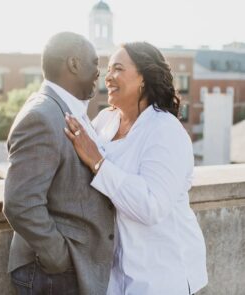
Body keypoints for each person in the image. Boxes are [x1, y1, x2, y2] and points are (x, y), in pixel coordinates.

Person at [64, 41, 208, 295]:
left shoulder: (165, 130)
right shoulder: (106, 120)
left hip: (162, 278)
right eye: (107, 69)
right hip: (116, 277)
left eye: (117, 69)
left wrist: (98, 162)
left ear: (144, 77)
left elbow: (151, 206)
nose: (108, 77)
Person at [3, 32, 115, 295]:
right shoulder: (42, 116)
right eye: (94, 63)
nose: (99, 72)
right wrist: (59, 258)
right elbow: (20, 202)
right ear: (74, 64)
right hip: (53, 274)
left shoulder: (67, 109)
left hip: (71, 270)